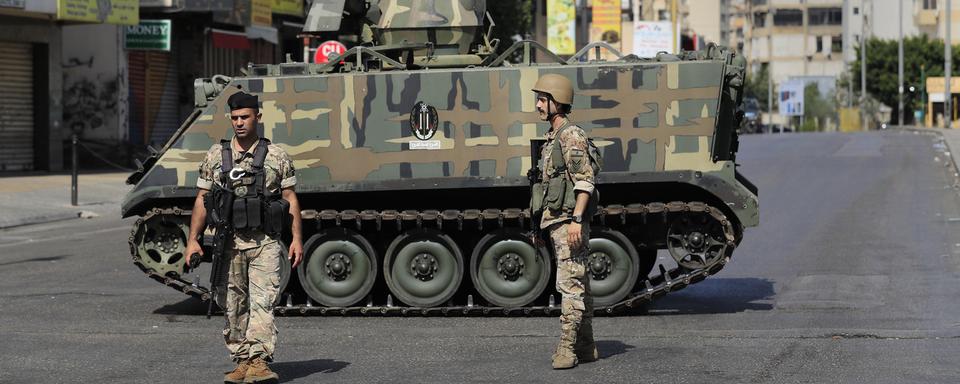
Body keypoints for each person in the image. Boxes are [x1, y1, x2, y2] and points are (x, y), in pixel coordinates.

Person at [184, 91, 304, 383]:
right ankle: (242, 360)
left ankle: (259, 361)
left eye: (245, 117)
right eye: (235, 118)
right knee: (232, 302)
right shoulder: (216, 155)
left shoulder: (276, 155)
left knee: (263, 301)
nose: (239, 123)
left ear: (257, 117)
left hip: (264, 242)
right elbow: (202, 198)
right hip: (229, 243)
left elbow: (290, 198)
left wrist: (297, 238)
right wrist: (193, 239)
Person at [531, 74, 599, 370]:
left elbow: (585, 180)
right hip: (555, 220)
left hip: (568, 221)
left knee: (570, 285)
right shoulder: (554, 136)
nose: (537, 105)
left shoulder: (571, 136)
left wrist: (576, 220)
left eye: (542, 99)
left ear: (556, 102)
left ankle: (567, 349)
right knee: (579, 282)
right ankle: (586, 347)